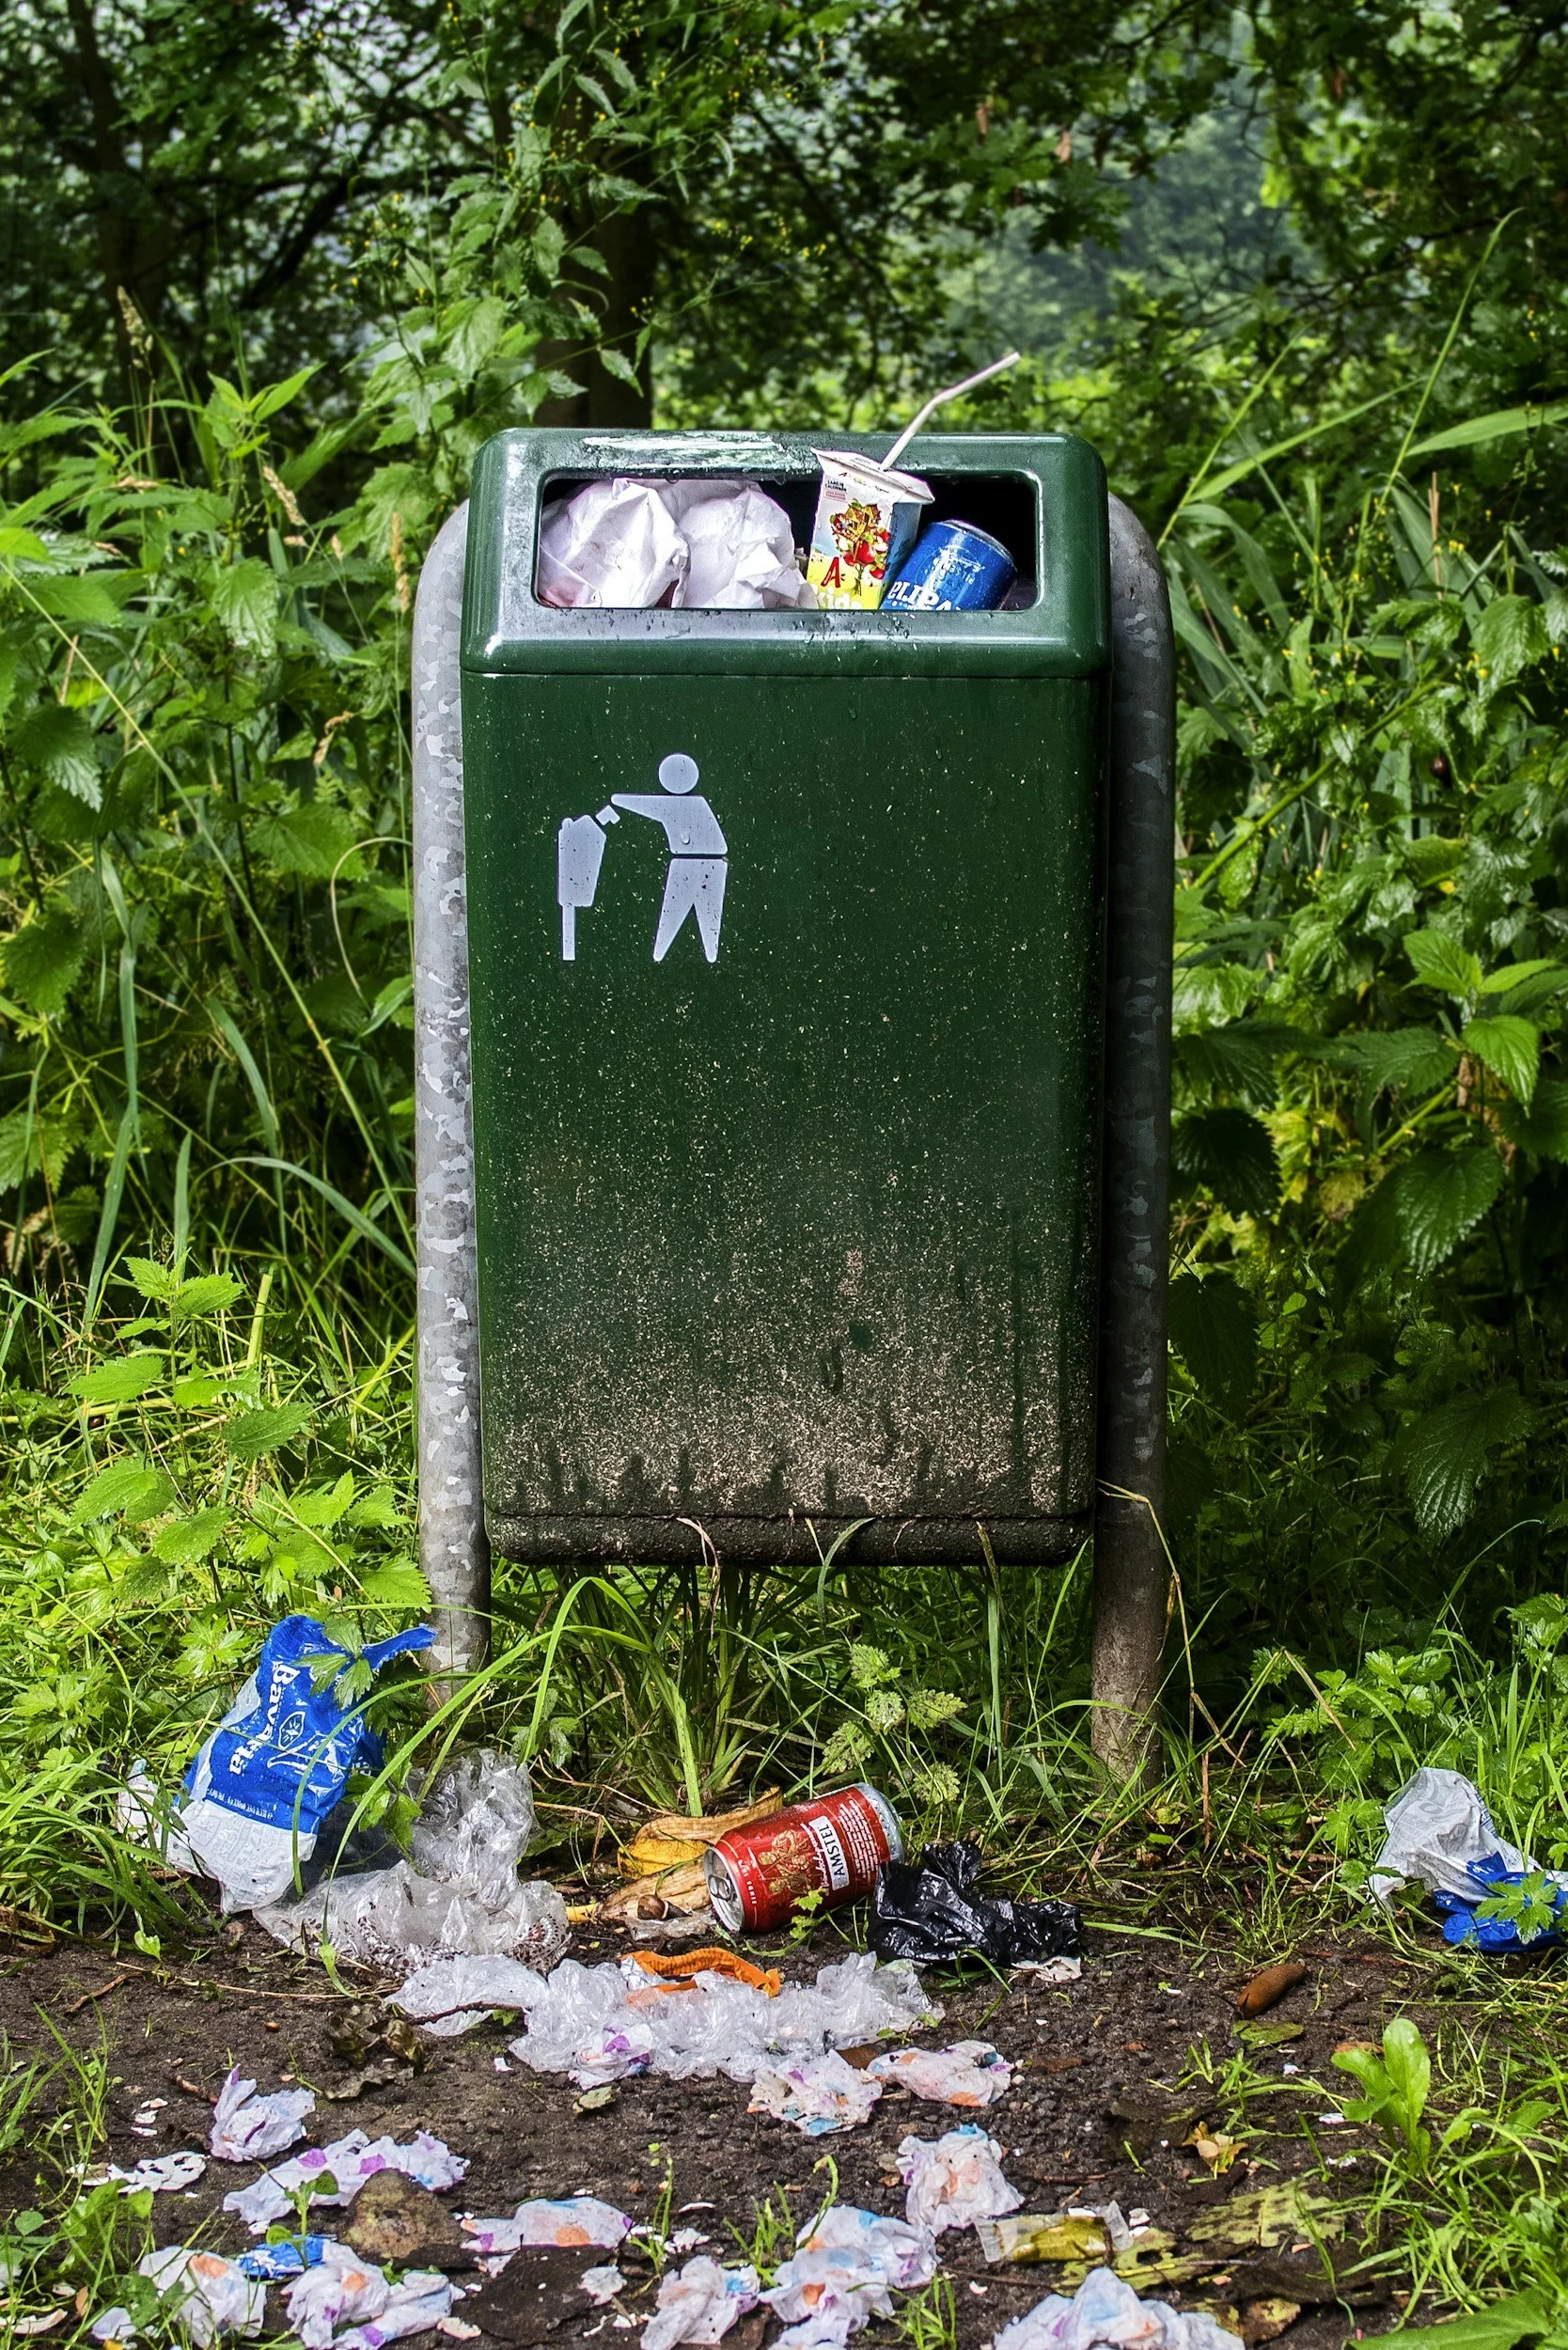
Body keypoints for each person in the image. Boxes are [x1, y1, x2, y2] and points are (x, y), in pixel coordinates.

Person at [611, 752, 728, 964]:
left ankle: (702, 957)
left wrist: (618, 800)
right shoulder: (696, 804)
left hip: (698, 864)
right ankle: (668, 955)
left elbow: (652, 806)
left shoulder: (687, 805)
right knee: (678, 918)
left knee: (690, 918)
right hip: (699, 863)